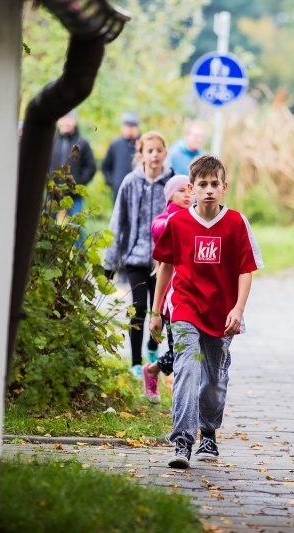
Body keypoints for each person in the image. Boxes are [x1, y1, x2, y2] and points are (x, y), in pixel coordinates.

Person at [149, 155, 263, 469]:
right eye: (202, 184)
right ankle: (182, 442)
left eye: (215, 184)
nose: (209, 190)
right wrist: (156, 311)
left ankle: (209, 432)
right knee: (187, 369)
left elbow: (245, 270)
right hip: (185, 307)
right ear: (193, 188)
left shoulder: (237, 223)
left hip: (222, 313)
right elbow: (166, 267)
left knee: (214, 379)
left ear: (224, 187)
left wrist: (238, 310)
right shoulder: (178, 223)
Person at [104, 131, 175, 377]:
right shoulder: (130, 182)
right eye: (150, 151)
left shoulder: (173, 183)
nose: (155, 155)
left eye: (159, 150)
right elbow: (118, 222)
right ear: (141, 154)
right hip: (135, 256)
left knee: (160, 310)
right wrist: (110, 261)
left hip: (163, 259)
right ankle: (136, 362)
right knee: (138, 307)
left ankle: (152, 346)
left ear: (165, 153)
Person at [142, 174, 194, 402]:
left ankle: (155, 370)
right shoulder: (163, 222)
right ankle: (153, 371)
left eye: (190, 190)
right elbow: (162, 230)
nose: (187, 195)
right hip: (171, 298)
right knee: (181, 351)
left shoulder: (196, 218)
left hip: (194, 294)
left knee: (188, 350)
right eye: (181, 191)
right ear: (170, 195)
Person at [49, 110, 96, 219]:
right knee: (47, 226)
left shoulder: (82, 143)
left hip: (75, 195)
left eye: (69, 119)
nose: (65, 122)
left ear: (74, 121)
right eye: (63, 119)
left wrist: (78, 183)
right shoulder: (52, 142)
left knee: (76, 227)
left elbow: (91, 167)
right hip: (53, 193)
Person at [101, 111, 141, 201]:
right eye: (127, 126)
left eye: (132, 126)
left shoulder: (144, 144)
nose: (129, 129)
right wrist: (113, 182)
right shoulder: (115, 145)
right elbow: (105, 167)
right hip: (119, 191)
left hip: (139, 191)